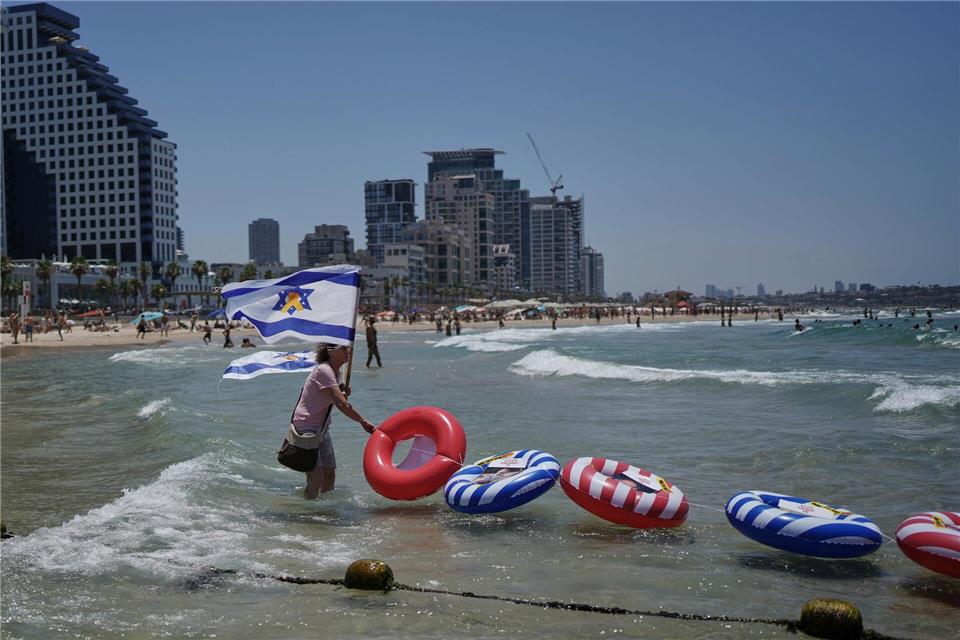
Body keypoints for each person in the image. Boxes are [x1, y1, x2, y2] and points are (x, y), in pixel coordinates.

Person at [290, 343, 376, 498]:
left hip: (322, 427)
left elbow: (330, 393)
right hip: (306, 427)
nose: (348, 351)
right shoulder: (324, 370)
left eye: (348, 348)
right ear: (330, 352)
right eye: (343, 348)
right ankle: (308, 516)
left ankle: (326, 512)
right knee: (316, 479)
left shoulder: (337, 371)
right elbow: (342, 404)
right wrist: (363, 421)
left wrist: (341, 388)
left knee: (329, 475)